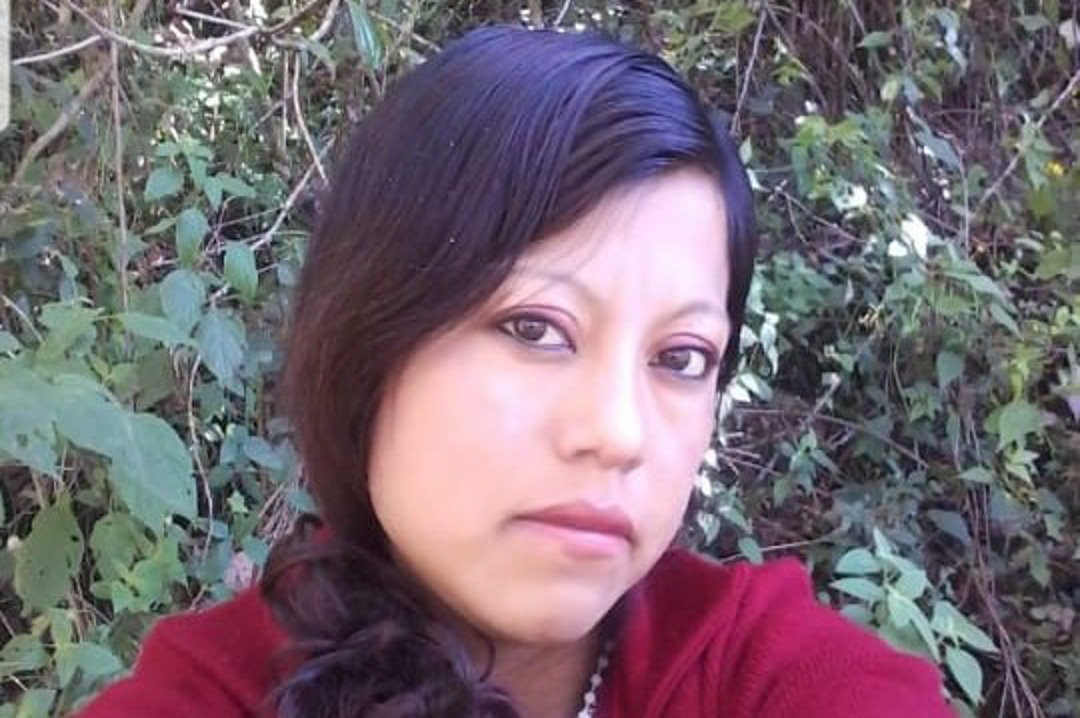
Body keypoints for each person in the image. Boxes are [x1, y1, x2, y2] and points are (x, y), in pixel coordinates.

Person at [78, 26, 953, 718]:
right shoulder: (212, 694)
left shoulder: (757, 673)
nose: (618, 433)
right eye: (535, 329)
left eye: (682, 358)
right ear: (364, 347)